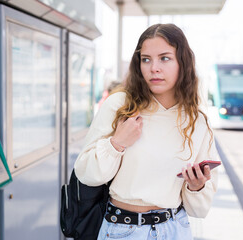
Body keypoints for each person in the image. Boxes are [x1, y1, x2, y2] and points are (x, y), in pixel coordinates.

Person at [74, 23, 219, 239]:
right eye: (146, 59)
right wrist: (117, 144)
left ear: (183, 62)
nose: (154, 68)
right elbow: (87, 175)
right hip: (122, 229)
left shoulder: (196, 122)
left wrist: (196, 187)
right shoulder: (120, 105)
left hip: (175, 228)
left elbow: (199, 210)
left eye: (165, 58)